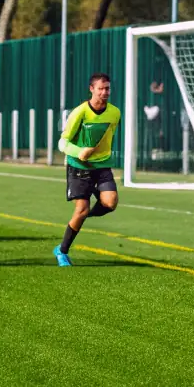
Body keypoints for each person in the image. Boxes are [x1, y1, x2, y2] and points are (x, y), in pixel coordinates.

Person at [54, 72, 121, 268]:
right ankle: (62, 251)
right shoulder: (80, 112)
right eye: (100, 88)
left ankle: (85, 216)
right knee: (80, 209)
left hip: (102, 165)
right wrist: (79, 151)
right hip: (79, 167)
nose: (104, 92)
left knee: (110, 202)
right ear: (91, 89)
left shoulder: (115, 112)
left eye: (107, 88)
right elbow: (62, 142)